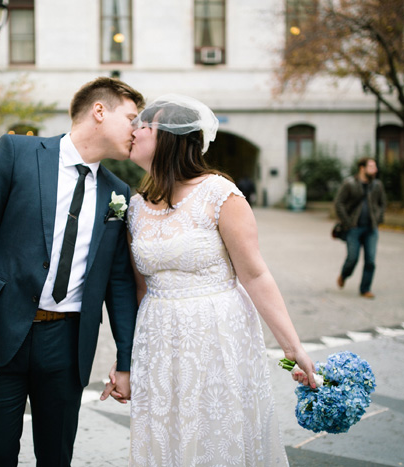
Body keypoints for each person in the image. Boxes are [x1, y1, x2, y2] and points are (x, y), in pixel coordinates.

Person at [101, 95, 317, 465]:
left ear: (170, 137)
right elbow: (139, 288)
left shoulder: (219, 194)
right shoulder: (134, 205)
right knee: (167, 434)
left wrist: (292, 345)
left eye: (145, 125)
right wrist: (127, 359)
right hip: (159, 337)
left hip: (217, 335)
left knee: (216, 435)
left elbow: (255, 274)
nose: (135, 131)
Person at [0, 77, 144, 466]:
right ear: (100, 111)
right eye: (132, 119)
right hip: (1, 337)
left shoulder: (118, 192)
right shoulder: (16, 152)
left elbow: (120, 285)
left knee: (57, 457)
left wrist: (126, 361)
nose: (137, 131)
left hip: (68, 344)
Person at [334, 157, 387, 299]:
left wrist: (379, 218)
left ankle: (365, 289)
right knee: (352, 258)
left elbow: (382, 203)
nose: (375, 169)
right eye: (371, 166)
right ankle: (344, 275)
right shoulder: (349, 183)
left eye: (375, 166)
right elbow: (339, 203)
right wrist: (347, 222)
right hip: (354, 228)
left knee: (370, 260)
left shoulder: (377, 185)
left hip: (371, 229)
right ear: (362, 168)